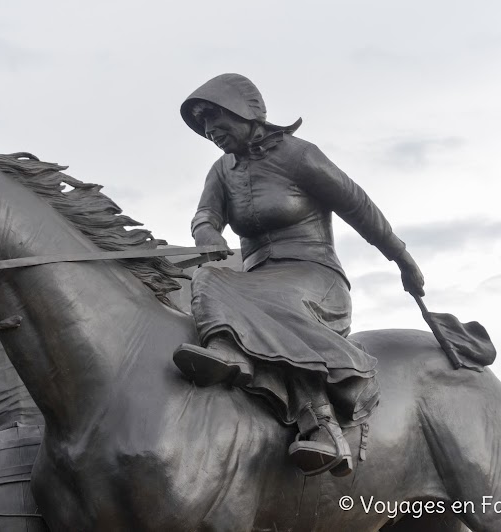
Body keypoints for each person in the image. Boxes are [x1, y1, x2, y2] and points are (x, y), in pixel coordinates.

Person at [173, 73, 425, 477]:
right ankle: (227, 350)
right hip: (254, 283)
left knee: (273, 303)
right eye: (204, 127)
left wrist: (402, 258)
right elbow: (207, 214)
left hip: (313, 278)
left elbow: (358, 205)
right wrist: (206, 234)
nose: (210, 132)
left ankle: (324, 426)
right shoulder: (222, 171)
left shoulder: (299, 156)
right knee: (207, 278)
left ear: (246, 113)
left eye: (217, 122)